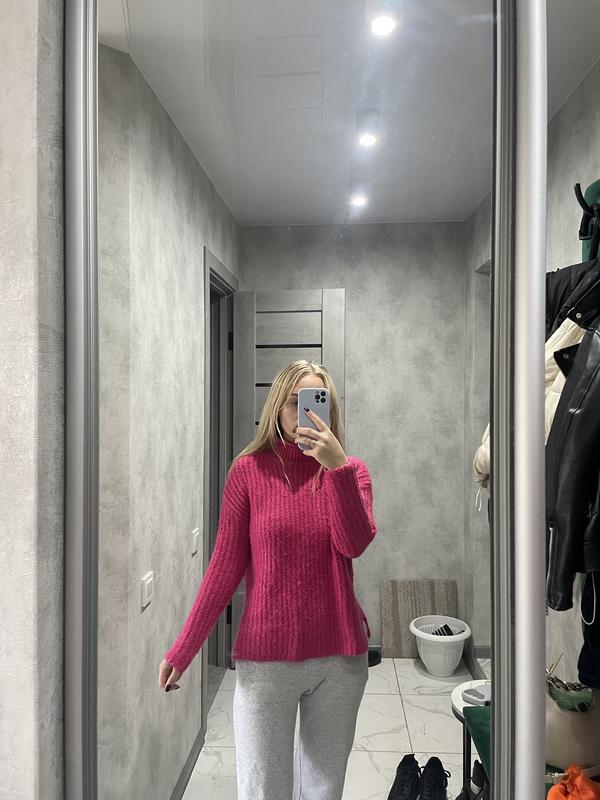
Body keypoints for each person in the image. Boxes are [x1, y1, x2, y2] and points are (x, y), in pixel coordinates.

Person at [158, 360, 377, 800]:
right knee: (262, 789)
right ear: (277, 406)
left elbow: (353, 544)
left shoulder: (352, 472)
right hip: (266, 660)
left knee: (323, 790)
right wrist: (185, 647)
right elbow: (225, 565)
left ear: (331, 410)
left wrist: (336, 470)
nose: (305, 413)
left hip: (339, 658)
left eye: (317, 403)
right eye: (295, 402)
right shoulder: (248, 472)